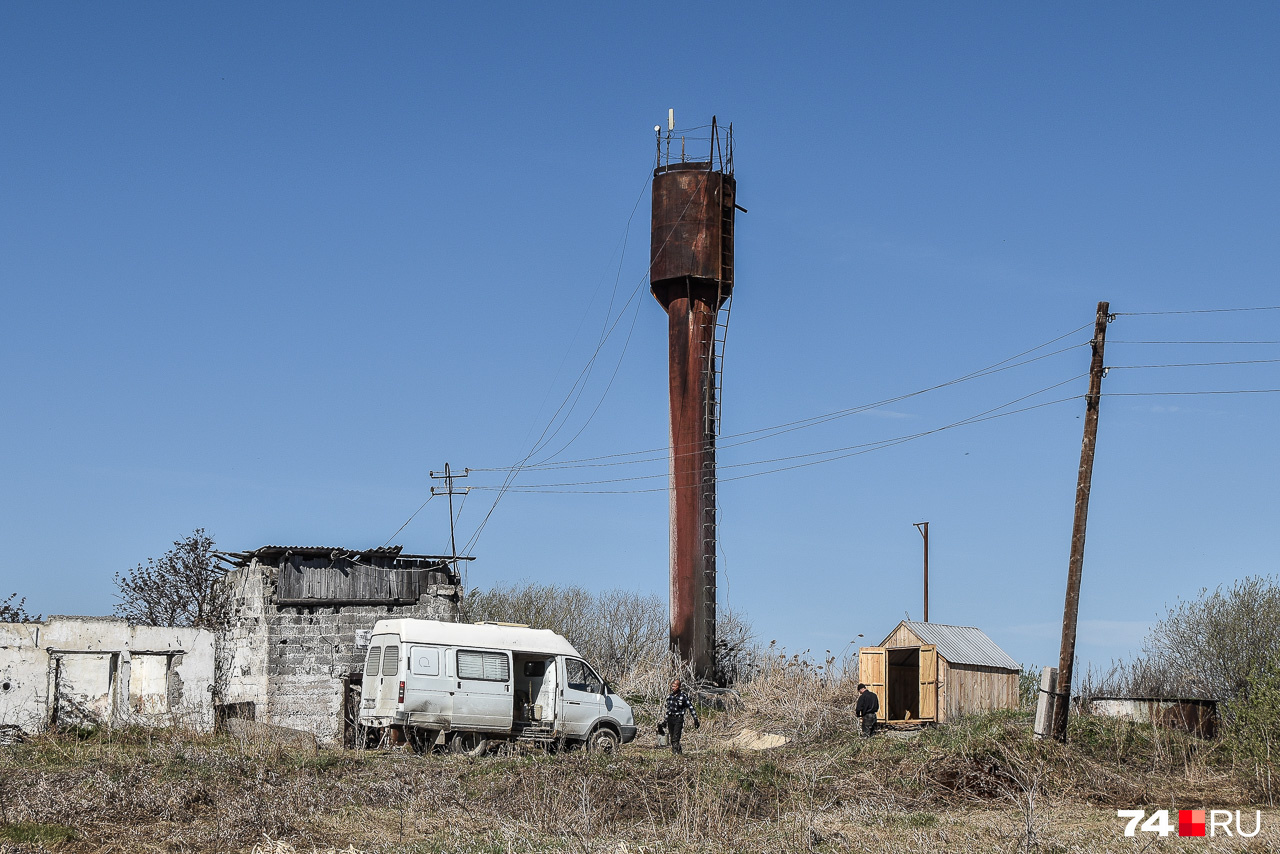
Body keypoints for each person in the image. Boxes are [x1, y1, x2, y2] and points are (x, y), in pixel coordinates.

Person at [663, 678, 700, 755]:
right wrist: (665, 721)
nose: (673, 688)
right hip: (670, 718)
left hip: (678, 719)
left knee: (675, 738)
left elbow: (690, 707)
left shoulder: (683, 697)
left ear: (678, 686)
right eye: (672, 686)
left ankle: (676, 754)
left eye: (675, 686)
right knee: (672, 737)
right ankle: (677, 753)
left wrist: (695, 719)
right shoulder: (670, 697)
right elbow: (668, 710)